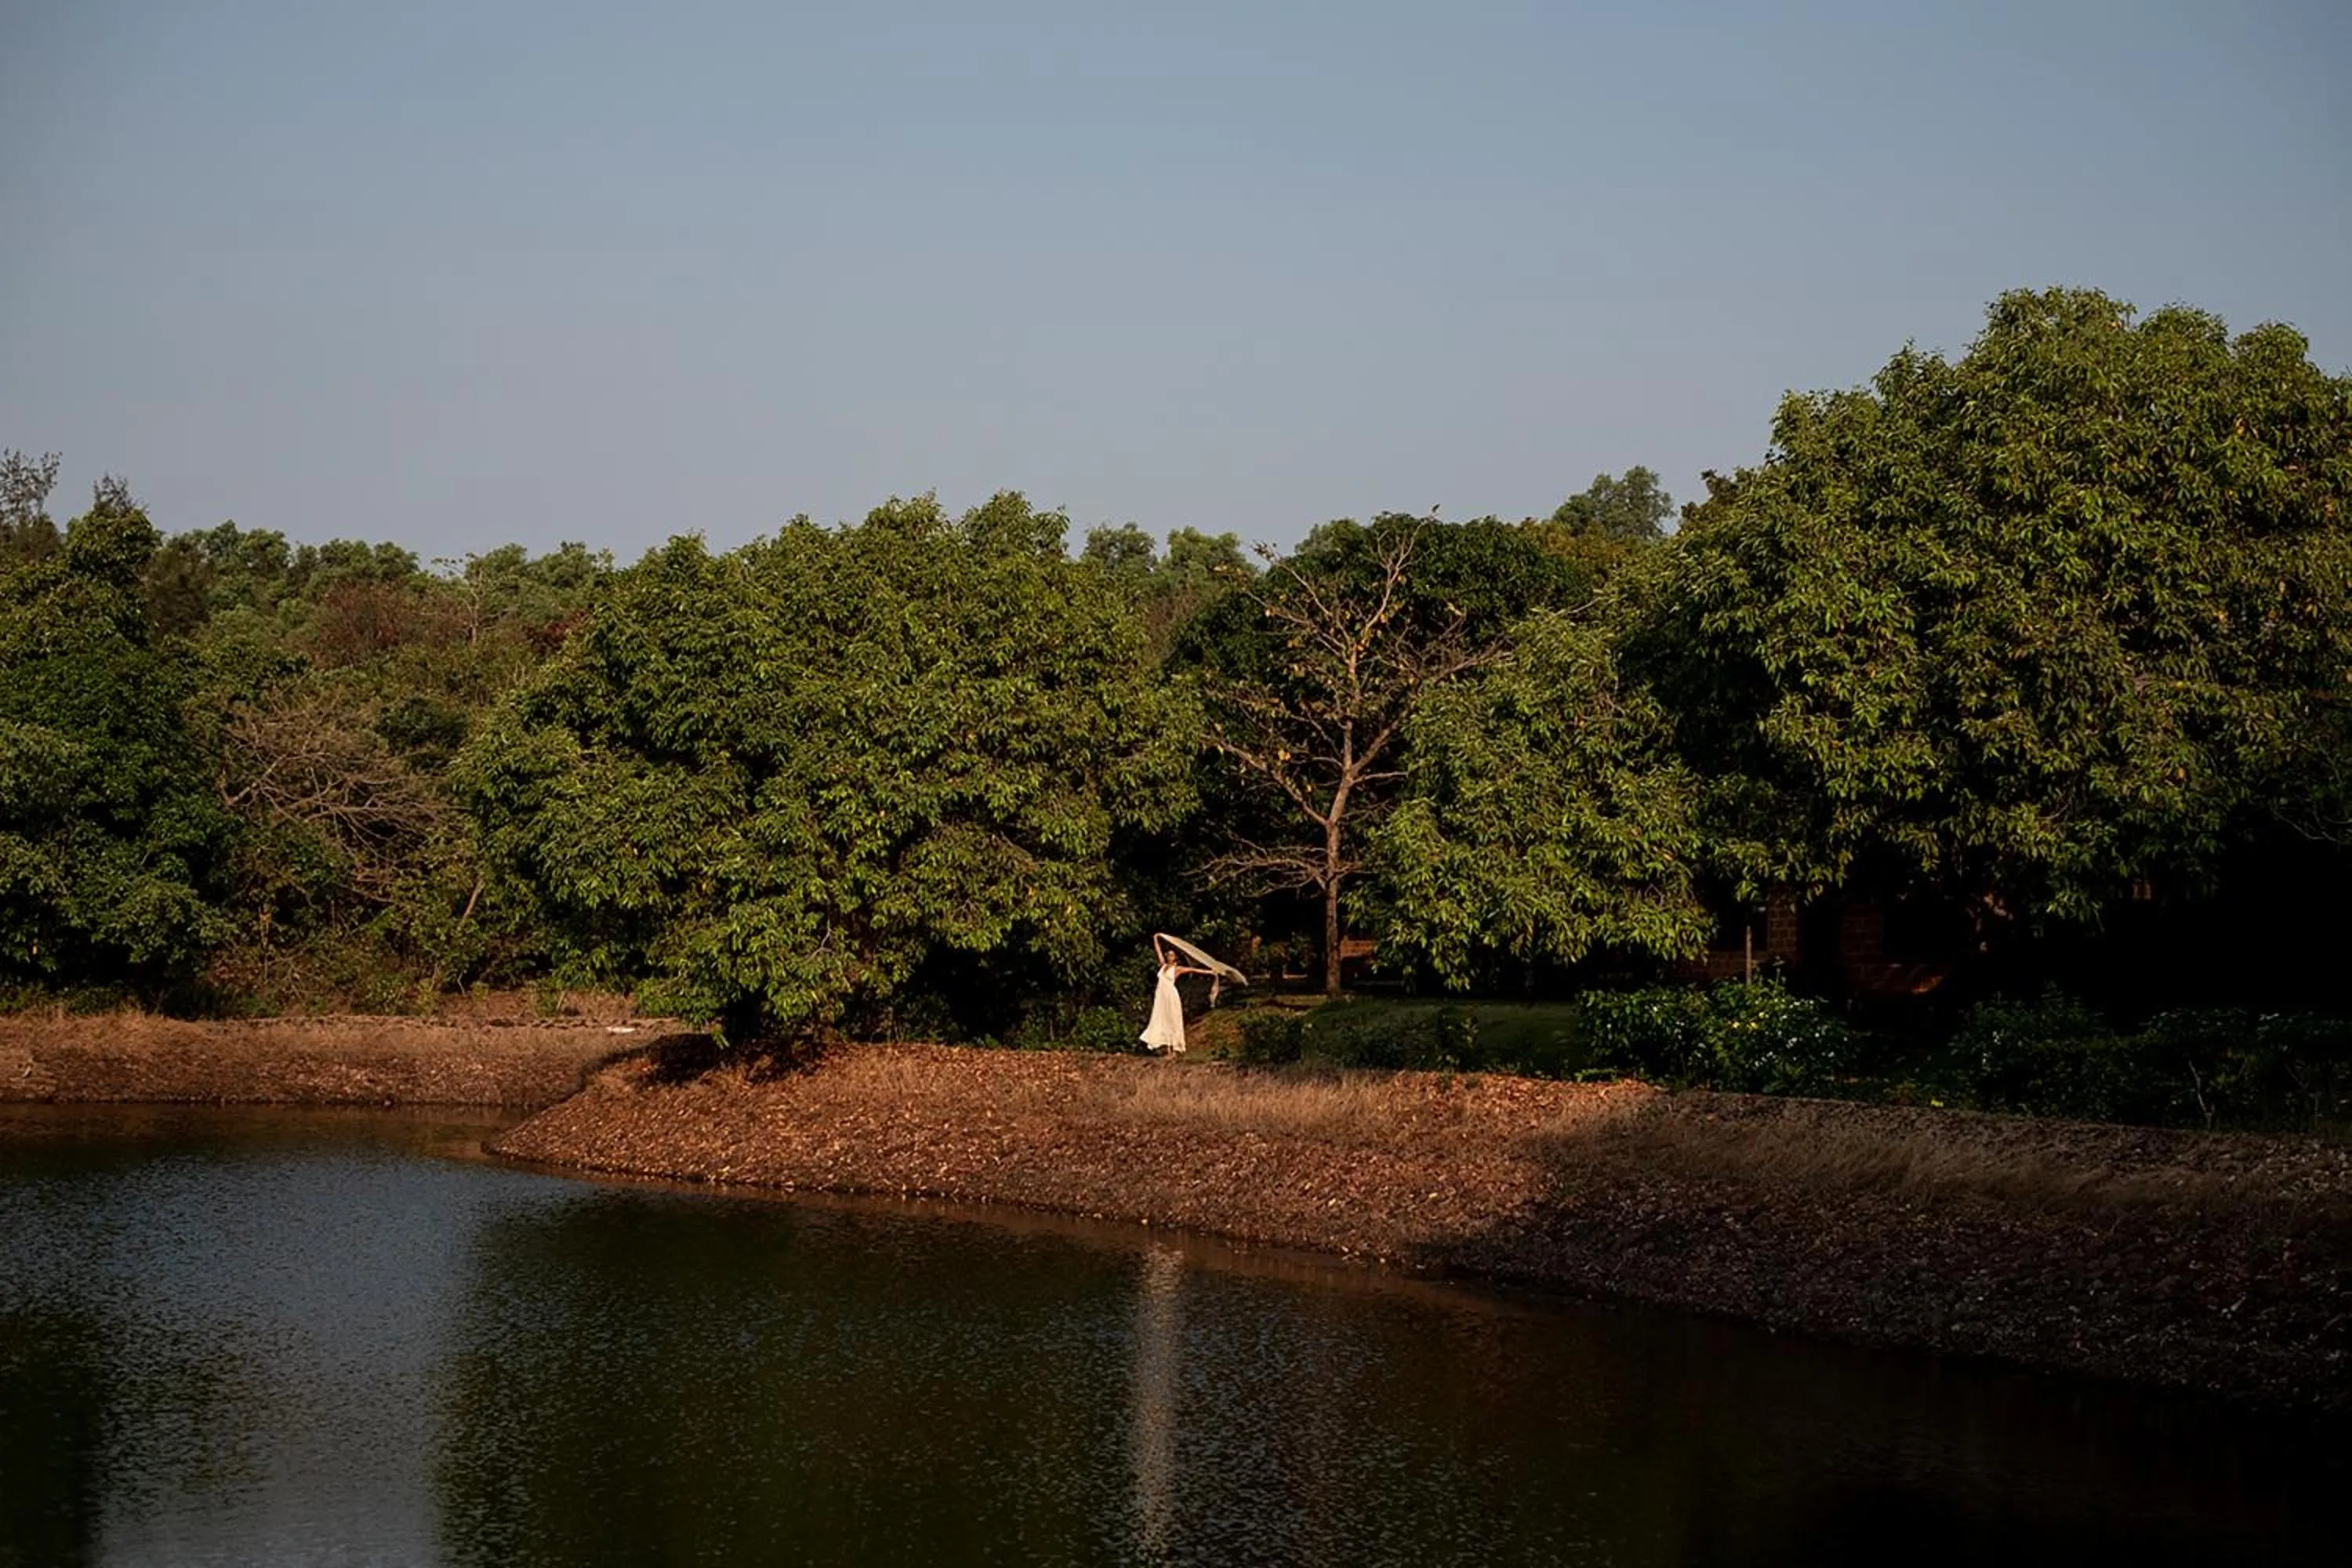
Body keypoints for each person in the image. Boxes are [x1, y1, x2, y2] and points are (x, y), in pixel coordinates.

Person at [1139, 936, 1213, 1054]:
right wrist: (1156, 939)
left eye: (1172, 955)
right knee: (1161, 1019)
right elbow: (1158, 951)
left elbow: (1193, 970)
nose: (1170, 957)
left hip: (1170, 996)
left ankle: (1174, 1048)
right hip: (1161, 997)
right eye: (1168, 955)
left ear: (1175, 958)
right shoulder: (1163, 966)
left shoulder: (1177, 969)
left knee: (1172, 1020)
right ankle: (1167, 1049)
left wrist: (1210, 972)